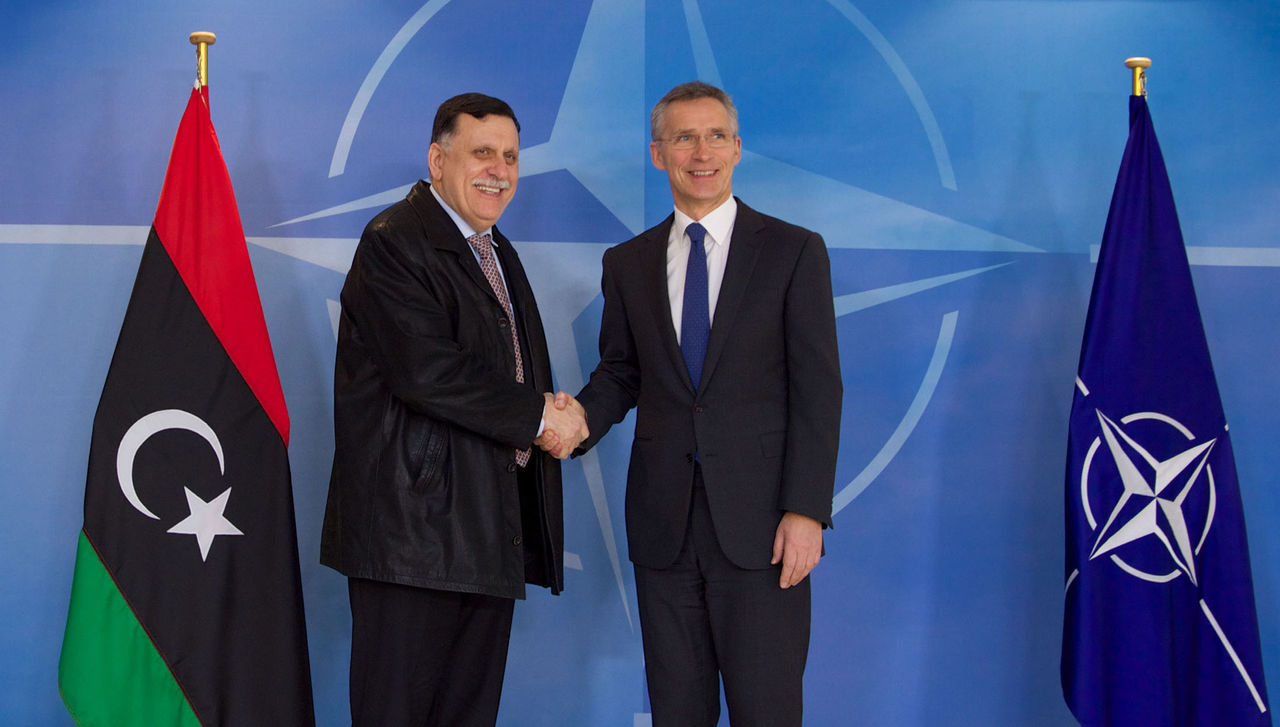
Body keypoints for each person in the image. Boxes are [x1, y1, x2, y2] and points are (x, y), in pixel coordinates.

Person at [563, 81, 842, 726]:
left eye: (715, 135)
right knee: (676, 713)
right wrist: (573, 423)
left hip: (764, 529)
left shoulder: (794, 252)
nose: (701, 150)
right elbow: (621, 373)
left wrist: (806, 511)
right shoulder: (626, 263)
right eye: (683, 137)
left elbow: (819, 389)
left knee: (766, 712)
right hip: (664, 531)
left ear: (738, 148)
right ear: (658, 153)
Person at [319, 92, 588, 727]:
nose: (499, 169)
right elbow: (428, 373)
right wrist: (543, 418)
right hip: (413, 541)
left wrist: (552, 409)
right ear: (438, 160)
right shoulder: (395, 240)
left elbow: (499, 372)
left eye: (511, 157)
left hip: (483, 535)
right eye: (482, 153)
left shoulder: (493, 250)